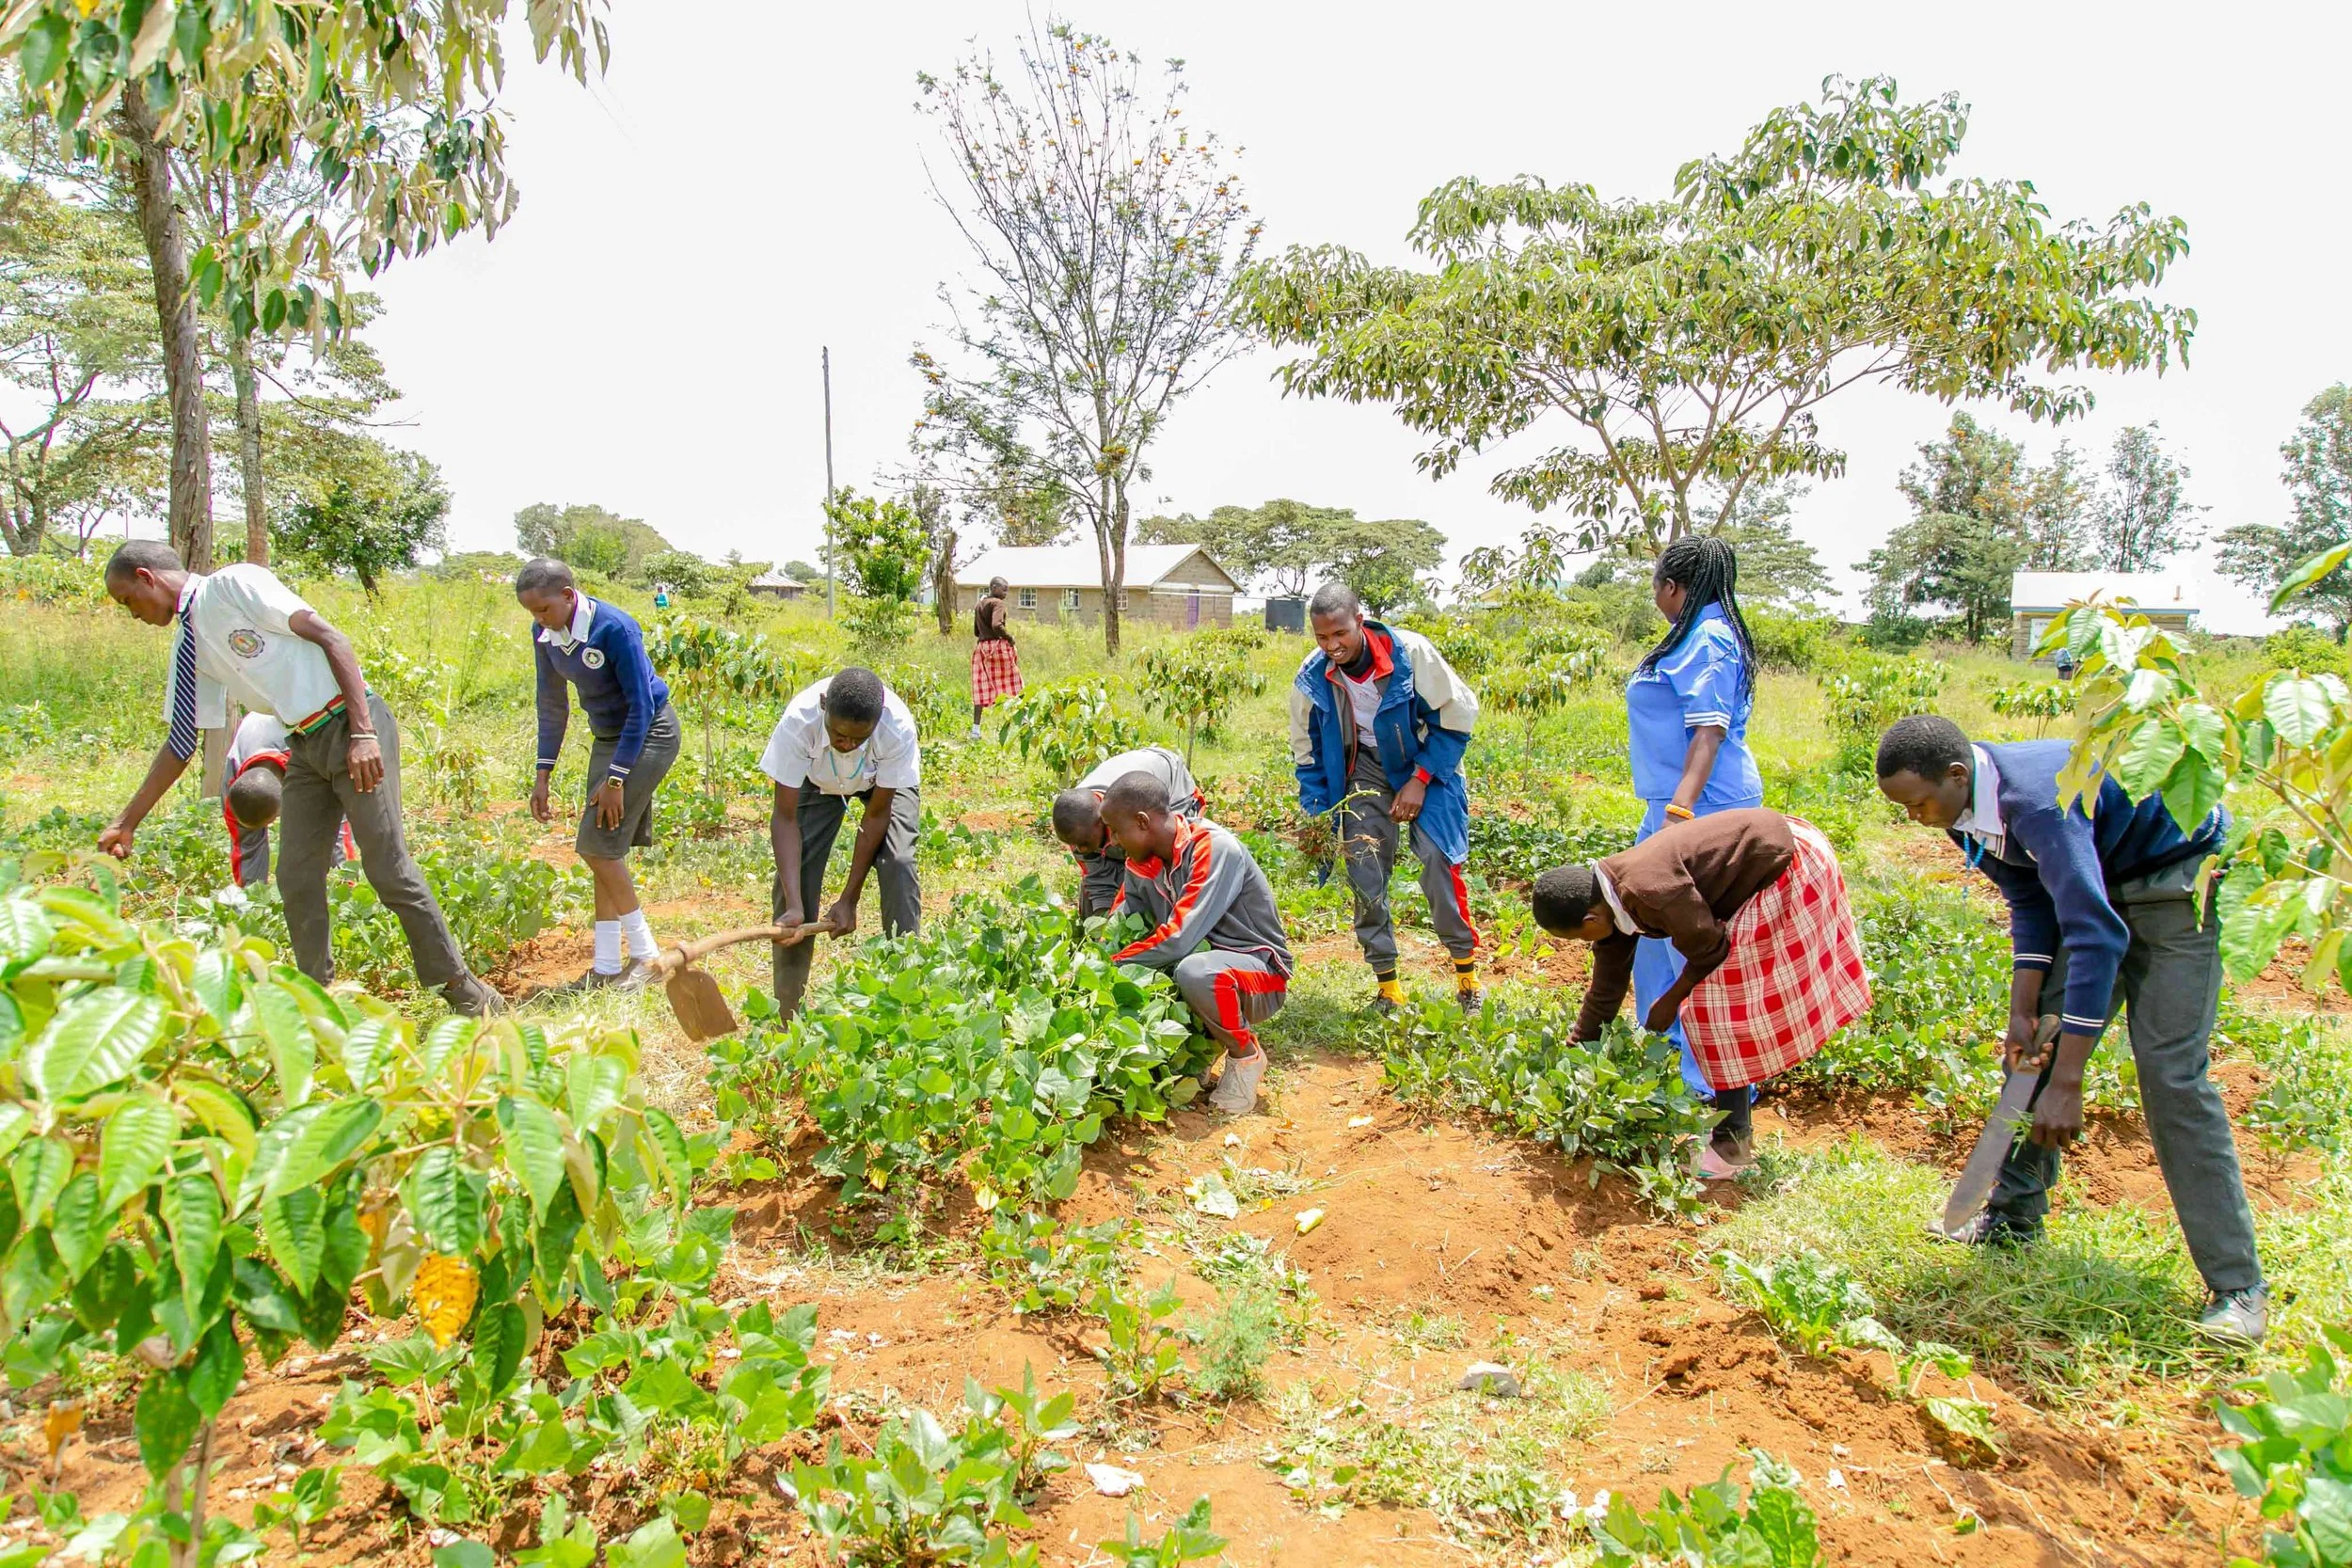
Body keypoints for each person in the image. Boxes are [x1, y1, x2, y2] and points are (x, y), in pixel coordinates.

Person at [1874, 713, 2265, 1343]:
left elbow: (2095, 932)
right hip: (2102, 885)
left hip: (2177, 887)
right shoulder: (1957, 808)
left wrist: (2070, 1083)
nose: (1915, 818)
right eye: (1905, 809)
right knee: (2035, 1054)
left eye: (1918, 804)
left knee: (2170, 1076)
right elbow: (2031, 894)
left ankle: (2238, 1286)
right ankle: (2012, 1219)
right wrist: (2023, 1007)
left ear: (1956, 774)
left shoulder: (2033, 800)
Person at [96, 541, 501, 1014]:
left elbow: (331, 638)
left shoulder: (232, 586)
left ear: (147, 577)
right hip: (303, 743)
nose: (133, 614)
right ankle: (316, 1000)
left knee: (387, 868)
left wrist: (364, 734)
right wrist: (127, 822)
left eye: (127, 600)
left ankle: (464, 992)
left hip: (351, 724)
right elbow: (182, 742)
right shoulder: (191, 648)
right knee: (296, 875)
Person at [1532, 807, 1870, 1178]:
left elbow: (1709, 948)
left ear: (1589, 921)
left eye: (1578, 938)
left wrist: (1671, 1001)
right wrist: (1578, 1048)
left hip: (1785, 863)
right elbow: (1606, 987)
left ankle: (1732, 1146)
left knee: (1716, 1012)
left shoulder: (1648, 891)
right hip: (1768, 854)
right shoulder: (1609, 901)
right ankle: (1732, 1125)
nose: (1585, 944)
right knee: (1719, 1005)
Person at [1289, 580, 1484, 1015]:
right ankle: (1389, 987)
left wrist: (1420, 779)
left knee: (1438, 859)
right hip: (1366, 767)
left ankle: (1467, 977)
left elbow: (1457, 719)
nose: (1332, 646)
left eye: (1340, 633)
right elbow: (1307, 750)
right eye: (1321, 637)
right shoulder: (1311, 675)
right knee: (1364, 866)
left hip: (1427, 759)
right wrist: (1318, 810)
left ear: (1359, 621)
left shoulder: (1410, 654)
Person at [1626, 536, 1766, 1103]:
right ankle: (1663, 1048)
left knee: (1694, 940)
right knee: (1649, 929)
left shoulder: (1707, 638)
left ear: (1671, 587)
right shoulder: (1699, 632)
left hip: (1700, 809)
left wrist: (1679, 818)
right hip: (1672, 804)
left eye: (1657, 584)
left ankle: (1712, 1083)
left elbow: (1708, 732)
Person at [516, 558, 683, 992]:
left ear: (569, 596)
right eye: (532, 613)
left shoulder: (616, 629)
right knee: (602, 845)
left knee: (599, 848)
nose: (539, 620)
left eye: (544, 610)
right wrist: (542, 773)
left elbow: (643, 706)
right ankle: (607, 966)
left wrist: (615, 781)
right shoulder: (546, 636)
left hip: (649, 732)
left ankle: (647, 958)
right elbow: (551, 705)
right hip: (608, 737)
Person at [1099, 770, 1294, 1115]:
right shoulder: (1143, 861)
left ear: (1143, 822)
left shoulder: (1213, 847)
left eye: (1116, 830)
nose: (1112, 841)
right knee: (1168, 966)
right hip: (1203, 963)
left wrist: (1110, 964)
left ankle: (1245, 1057)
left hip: (1259, 974)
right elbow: (1119, 922)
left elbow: (1177, 940)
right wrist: (1093, 954)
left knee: (1193, 970)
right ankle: (1203, 1047)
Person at [761, 667, 922, 1019]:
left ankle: (906, 998)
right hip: (816, 780)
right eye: (838, 735)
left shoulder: (896, 729)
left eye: (858, 739)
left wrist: (849, 899)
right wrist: (794, 904)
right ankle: (787, 1014)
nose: (848, 745)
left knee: (899, 861)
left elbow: (878, 815)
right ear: (823, 707)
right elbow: (785, 818)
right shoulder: (798, 723)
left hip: (880, 783)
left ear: (877, 724)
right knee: (798, 881)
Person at [1050, 744, 1203, 919]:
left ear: (1102, 822)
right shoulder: (1077, 826)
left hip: (1170, 782)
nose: (1080, 850)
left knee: (1163, 864)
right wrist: (1106, 927)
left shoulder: (1120, 810)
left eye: (1083, 844)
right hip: (1132, 779)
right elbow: (1098, 881)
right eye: (1074, 845)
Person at [221, 711, 353, 888]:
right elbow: (245, 849)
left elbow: (336, 821)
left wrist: (345, 884)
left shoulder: (309, 748)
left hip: (311, 721)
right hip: (265, 727)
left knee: (328, 832)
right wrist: (252, 902)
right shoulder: (234, 781)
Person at [971, 576, 1021, 739]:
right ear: (993, 587)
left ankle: (975, 730)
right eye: (1003, 589)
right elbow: (996, 625)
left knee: (980, 688)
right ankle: (1023, 723)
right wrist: (1009, 638)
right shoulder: (998, 603)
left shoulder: (980, 604)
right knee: (1014, 685)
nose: (1006, 593)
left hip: (981, 649)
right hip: (997, 648)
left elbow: (976, 632)